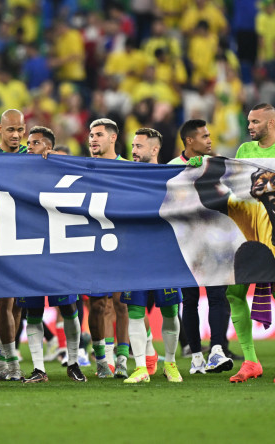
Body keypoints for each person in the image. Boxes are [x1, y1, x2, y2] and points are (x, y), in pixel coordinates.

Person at [194, 104, 275, 384]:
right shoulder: (244, 152)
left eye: (255, 122)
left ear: (271, 122)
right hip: (250, 233)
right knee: (235, 293)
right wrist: (200, 166)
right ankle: (251, 361)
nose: (249, 126)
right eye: (249, 121)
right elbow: (232, 185)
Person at [17, 126, 86, 383]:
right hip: (30, 249)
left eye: (34, 143)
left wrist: (59, 161)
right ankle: (39, 369)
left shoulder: (63, 168)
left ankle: (73, 362)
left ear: (48, 146)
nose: (28, 147)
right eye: (28, 142)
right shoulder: (20, 170)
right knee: (32, 312)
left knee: (69, 308)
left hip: (59, 249)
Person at [169, 119, 233, 375]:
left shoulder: (218, 165)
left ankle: (217, 350)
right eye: (204, 136)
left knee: (218, 296)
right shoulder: (172, 168)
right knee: (190, 300)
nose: (209, 140)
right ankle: (196, 356)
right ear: (189, 141)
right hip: (186, 244)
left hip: (216, 241)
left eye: (210, 135)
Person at [123, 128, 183, 384]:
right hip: (134, 254)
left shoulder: (170, 177)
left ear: (154, 149)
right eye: (133, 146)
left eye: (139, 146)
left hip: (164, 255)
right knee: (134, 311)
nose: (134, 150)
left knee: (170, 312)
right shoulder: (122, 176)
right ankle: (140, 368)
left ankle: (170, 362)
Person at [84, 118, 130, 378]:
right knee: (98, 304)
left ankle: (122, 360)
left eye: (99, 134)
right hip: (91, 242)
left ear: (113, 138)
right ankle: (102, 360)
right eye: (91, 134)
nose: (93, 139)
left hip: (121, 243)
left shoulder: (129, 169)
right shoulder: (82, 167)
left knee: (121, 302)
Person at [0, 109, 27, 381]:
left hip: (27, 235)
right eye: (10, 129)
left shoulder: (32, 156)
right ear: (0, 129)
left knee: (17, 302)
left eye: (20, 130)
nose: (16, 135)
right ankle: (10, 360)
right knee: (4, 300)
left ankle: (4, 352)